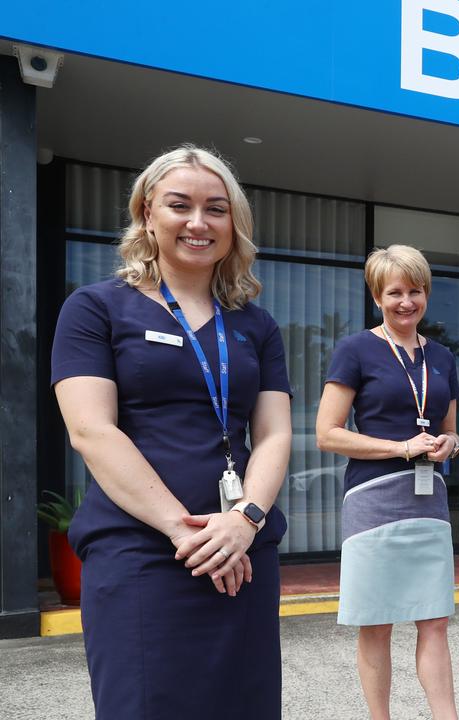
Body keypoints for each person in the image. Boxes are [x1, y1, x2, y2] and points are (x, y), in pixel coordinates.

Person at [51, 145, 293, 718]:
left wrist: (244, 520)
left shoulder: (255, 324)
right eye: (179, 205)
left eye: (216, 208)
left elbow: (276, 434)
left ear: (234, 224)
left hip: (243, 554)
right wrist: (186, 533)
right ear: (146, 214)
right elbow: (91, 431)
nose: (198, 222)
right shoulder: (96, 309)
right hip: (144, 555)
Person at [316, 244, 459, 720]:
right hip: (372, 501)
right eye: (395, 292)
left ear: (426, 294)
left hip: (429, 502)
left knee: (434, 620)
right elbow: (327, 434)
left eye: (415, 291)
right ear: (377, 295)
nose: (406, 302)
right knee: (376, 624)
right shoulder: (355, 349)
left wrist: (448, 445)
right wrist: (400, 448)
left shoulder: (441, 356)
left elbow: (451, 429)